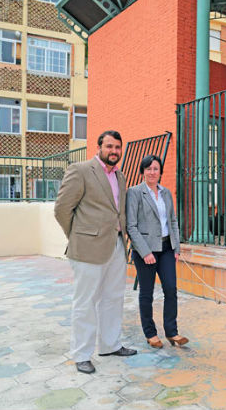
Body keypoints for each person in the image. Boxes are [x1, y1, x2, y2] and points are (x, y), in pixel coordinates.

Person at [54, 130, 137, 374]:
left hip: (116, 246)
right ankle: (81, 354)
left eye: (117, 147)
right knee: (85, 302)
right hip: (88, 249)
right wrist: (78, 236)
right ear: (99, 147)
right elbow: (62, 209)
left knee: (113, 298)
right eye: (109, 146)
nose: (114, 151)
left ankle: (110, 345)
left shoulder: (120, 176)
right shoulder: (80, 170)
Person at [126, 155, 188, 348]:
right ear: (142, 171)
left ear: (160, 172)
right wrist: (145, 252)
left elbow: (173, 221)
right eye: (149, 169)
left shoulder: (166, 193)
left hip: (166, 248)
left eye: (156, 169)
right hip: (145, 251)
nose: (152, 172)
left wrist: (176, 246)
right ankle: (150, 333)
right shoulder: (135, 192)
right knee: (147, 293)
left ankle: (172, 332)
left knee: (171, 289)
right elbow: (131, 225)